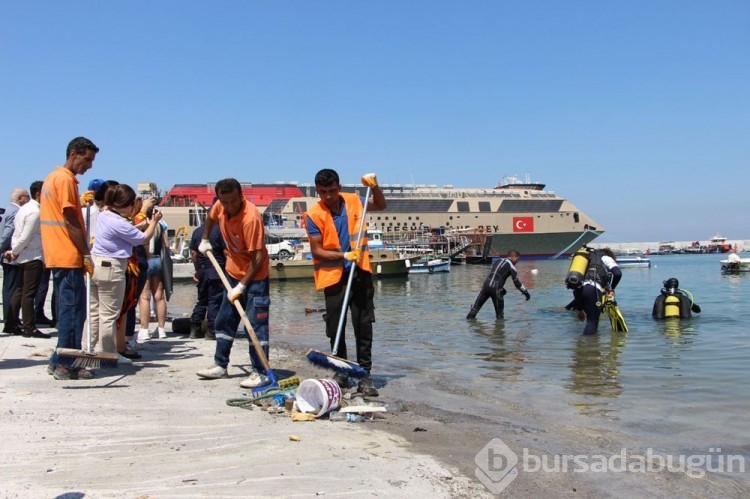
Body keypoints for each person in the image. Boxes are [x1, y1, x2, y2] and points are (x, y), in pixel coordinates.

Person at [304, 169, 386, 396]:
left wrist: (376, 186)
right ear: (317, 191)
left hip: (360, 273)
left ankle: (364, 374)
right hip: (333, 277)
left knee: (363, 325)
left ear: (339, 187)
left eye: (332, 191)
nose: (328, 196)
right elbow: (317, 250)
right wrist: (343, 256)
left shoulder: (354, 201)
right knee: (334, 326)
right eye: (323, 192)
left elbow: (380, 205)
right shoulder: (313, 215)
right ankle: (340, 370)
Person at [195, 178, 271, 389]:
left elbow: (257, 259)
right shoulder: (220, 205)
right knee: (224, 319)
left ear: (241, 196)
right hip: (231, 271)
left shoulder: (251, 219)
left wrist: (242, 286)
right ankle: (220, 365)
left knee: (255, 326)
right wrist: (206, 238)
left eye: (233, 201)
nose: (229, 206)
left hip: (255, 278)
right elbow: (211, 216)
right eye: (225, 201)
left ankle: (261, 371)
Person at [40, 136, 99, 380]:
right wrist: (85, 252)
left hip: (58, 252)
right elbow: (71, 219)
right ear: (74, 153)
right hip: (67, 253)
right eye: (87, 159)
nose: (89, 166)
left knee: (71, 309)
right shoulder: (64, 180)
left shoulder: (54, 178)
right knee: (73, 311)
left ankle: (60, 359)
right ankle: (66, 362)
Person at [89, 184, 163, 363]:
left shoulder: (104, 215)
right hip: (112, 268)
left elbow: (125, 232)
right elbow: (142, 239)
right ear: (126, 204)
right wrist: (153, 222)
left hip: (96, 265)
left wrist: (141, 224)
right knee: (109, 315)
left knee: (94, 313)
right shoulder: (117, 221)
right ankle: (109, 354)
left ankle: (90, 348)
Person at [5, 181, 49, 338]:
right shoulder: (34, 211)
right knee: (29, 293)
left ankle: (11, 323)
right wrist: (14, 251)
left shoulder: (24, 209)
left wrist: (14, 251)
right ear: (38, 194)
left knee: (21, 290)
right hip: (32, 255)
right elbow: (25, 236)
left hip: (24, 254)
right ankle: (29, 327)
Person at [566, 247, 622, 335]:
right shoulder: (606, 257)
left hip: (577, 290)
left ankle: (581, 346)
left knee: (589, 320)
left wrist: (580, 309)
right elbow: (618, 273)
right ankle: (589, 346)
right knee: (592, 322)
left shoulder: (587, 259)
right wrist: (611, 288)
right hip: (592, 289)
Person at [466, 250, 530, 320]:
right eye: (518, 259)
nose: (518, 262)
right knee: (500, 317)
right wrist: (526, 293)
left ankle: (469, 328)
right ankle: (499, 330)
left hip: (485, 286)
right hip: (496, 289)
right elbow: (517, 284)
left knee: (474, 309)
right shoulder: (512, 267)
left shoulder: (498, 261)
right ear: (514, 257)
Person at [137, 205, 170, 340]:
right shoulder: (161, 226)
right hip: (158, 260)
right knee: (159, 296)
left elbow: (144, 243)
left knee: (144, 297)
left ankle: (144, 330)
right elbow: (167, 245)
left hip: (147, 259)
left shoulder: (144, 225)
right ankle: (161, 329)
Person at [188, 222, 225, 340]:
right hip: (217, 269)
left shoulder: (197, 231)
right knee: (214, 300)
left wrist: (197, 270)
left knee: (202, 299)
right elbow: (226, 252)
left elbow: (194, 254)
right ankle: (211, 330)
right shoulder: (220, 231)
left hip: (203, 270)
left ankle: (195, 328)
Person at [1, 187, 30, 334]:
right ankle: (10, 320)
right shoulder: (15, 211)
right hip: (10, 256)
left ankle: (11, 319)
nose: (29, 199)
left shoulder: (8, 209)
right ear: (20, 198)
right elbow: (7, 234)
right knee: (11, 290)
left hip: (8, 255)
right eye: (27, 196)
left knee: (9, 288)